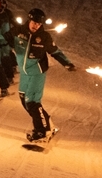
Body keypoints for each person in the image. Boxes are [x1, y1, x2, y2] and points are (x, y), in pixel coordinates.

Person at [10, 8, 75, 141]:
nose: (36, 26)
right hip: (24, 72)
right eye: (34, 22)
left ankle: (42, 132)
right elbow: (2, 39)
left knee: (32, 102)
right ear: (29, 20)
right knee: (24, 100)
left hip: (37, 72)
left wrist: (67, 63)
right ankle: (47, 124)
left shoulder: (44, 37)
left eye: (39, 24)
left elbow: (55, 52)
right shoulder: (18, 31)